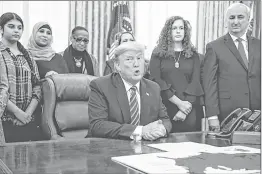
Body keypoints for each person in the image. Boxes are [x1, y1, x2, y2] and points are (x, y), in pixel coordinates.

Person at [88, 42, 172, 141]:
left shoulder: (153, 88)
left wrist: (161, 129)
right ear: (118, 65)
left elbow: (165, 120)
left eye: (139, 58)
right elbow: (97, 125)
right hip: (110, 147)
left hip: (145, 148)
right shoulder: (101, 86)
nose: (136, 64)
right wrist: (140, 131)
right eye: (129, 59)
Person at [202, 3, 261, 132]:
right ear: (226, 21)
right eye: (231, 17)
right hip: (229, 116)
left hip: (257, 115)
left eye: (240, 17)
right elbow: (209, 84)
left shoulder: (259, 45)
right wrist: (212, 116)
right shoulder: (214, 47)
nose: (235, 21)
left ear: (249, 20)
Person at [150, 16, 204, 132]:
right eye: (174, 28)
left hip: (190, 107)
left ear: (186, 31)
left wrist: (185, 108)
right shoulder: (157, 54)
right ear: (168, 31)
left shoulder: (193, 55)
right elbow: (156, 80)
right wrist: (179, 103)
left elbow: (196, 81)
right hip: (165, 106)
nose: (178, 31)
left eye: (181, 28)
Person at [0, 12, 43, 142]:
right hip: (5, 120)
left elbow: (37, 85)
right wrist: (17, 113)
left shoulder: (27, 55)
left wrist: (27, 114)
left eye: (19, 28)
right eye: (11, 26)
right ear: (1, 29)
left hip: (28, 120)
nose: (16, 30)